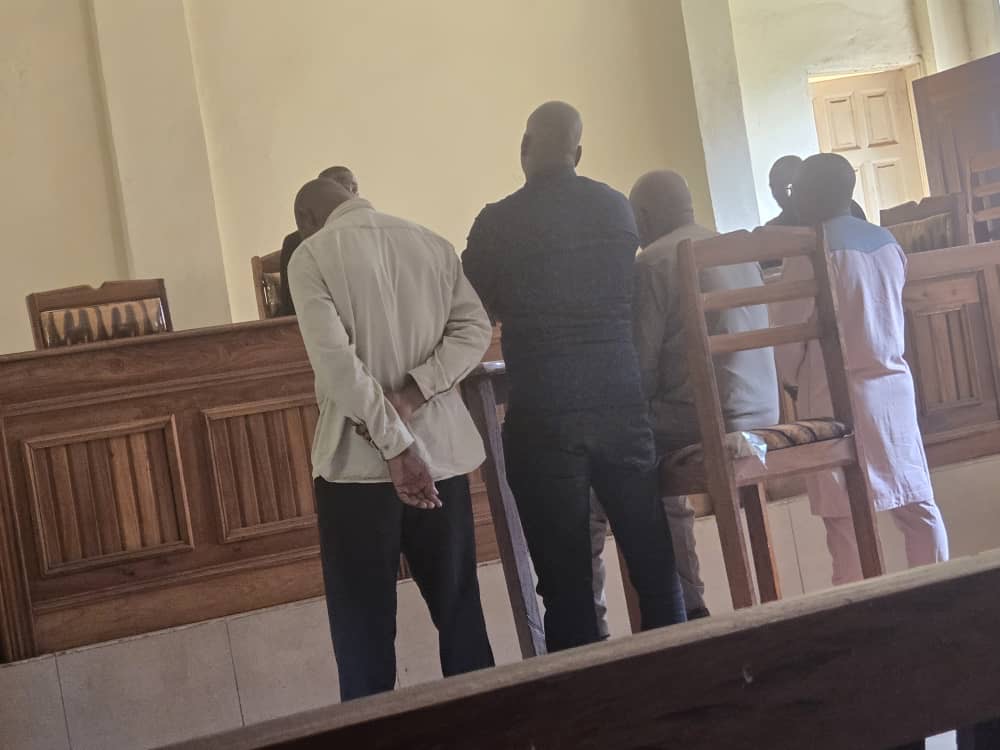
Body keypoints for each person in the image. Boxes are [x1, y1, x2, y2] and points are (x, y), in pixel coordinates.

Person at [463, 101, 686, 652]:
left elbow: (474, 307)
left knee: (565, 588)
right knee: (654, 565)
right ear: (578, 153)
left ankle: (586, 698)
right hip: (621, 402)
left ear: (524, 148)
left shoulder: (496, 223)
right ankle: (684, 680)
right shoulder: (616, 209)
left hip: (544, 412)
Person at [288, 178, 495, 700]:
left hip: (355, 470)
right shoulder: (432, 243)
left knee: (363, 632)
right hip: (441, 460)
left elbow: (337, 365)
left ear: (307, 219)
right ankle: (489, 726)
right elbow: (475, 330)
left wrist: (394, 444)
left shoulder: (312, 255)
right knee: (461, 616)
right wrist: (413, 395)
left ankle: (373, 733)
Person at [590, 170, 780, 631]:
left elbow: (640, 368)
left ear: (642, 216)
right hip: (763, 412)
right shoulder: (735, 250)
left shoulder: (653, 262)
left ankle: (609, 626)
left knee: (601, 474)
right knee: (646, 455)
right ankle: (688, 603)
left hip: (700, 421)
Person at [772, 153, 949, 587]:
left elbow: (788, 338)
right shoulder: (887, 242)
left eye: (799, 190)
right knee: (916, 504)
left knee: (844, 518)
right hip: (892, 389)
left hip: (833, 397)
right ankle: (942, 590)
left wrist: (791, 382)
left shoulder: (807, 251)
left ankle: (856, 607)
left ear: (812, 194)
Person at [277, 166, 359, 316]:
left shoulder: (366, 235)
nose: (352, 197)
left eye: (354, 190)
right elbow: (291, 307)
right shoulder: (295, 243)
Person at [766, 154, 866, 228]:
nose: (777, 195)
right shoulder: (775, 229)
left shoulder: (846, 208)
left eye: (791, 187)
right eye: (773, 187)